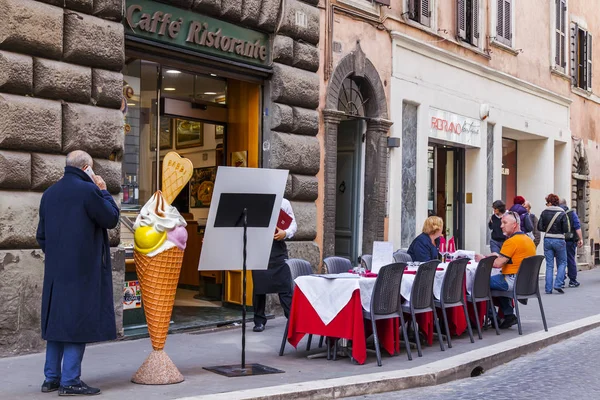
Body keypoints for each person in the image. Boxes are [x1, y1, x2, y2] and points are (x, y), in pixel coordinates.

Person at [36, 150, 119, 395]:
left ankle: (51, 378)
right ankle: (70, 381)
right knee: (76, 322)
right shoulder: (88, 191)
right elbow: (111, 218)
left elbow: (41, 236)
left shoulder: (49, 194)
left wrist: (58, 255)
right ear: (87, 169)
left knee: (57, 323)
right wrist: (103, 189)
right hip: (82, 269)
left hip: (55, 270)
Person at [475, 211, 536, 329]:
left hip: (512, 281)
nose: (501, 225)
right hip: (526, 283)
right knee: (495, 279)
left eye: (504, 222)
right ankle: (508, 315)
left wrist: (483, 259)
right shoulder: (528, 240)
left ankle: (493, 317)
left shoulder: (511, 241)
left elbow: (497, 264)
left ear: (514, 225)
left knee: (479, 282)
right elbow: (513, 259)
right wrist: (497, 256)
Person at [252, 198, 297, 332]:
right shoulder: (254, 202)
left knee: (284, 285)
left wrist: (285, 233)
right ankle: (259, 321)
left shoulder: (284, 203)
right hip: (258, 248)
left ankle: (292, 319)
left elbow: (293, 225)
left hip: (278, 249)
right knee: (259, 288)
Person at [537, 193, 570, 294]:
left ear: (550, 202)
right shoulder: (562, 213)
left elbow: (539, 227)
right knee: (562, 262)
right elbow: (566, 229)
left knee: (549, 264)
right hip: (559, 240)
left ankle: (548, 288)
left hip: (547, 239)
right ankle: (558, 284)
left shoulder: (544, 212)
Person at [559, 198, 583, 287]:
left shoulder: (557, 213)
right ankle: (572, 280)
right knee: (570, 259)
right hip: (570, 240)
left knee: (560, 260)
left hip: (559, 239)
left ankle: (560, 280)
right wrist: (580, 239)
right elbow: (577, 226)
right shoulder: (572, 213)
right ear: (566, 204)